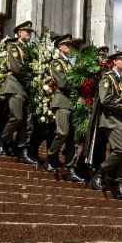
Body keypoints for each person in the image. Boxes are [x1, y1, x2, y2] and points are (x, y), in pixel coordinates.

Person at [94, 50, 122, 200]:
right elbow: (105, 99)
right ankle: (100, 172)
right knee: (120, 150)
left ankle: (120, 186)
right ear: (115, 62)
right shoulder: (108, 78)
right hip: (111, 120)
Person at [45, 33, 83, 178]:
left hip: (73, 104)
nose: (69, 47)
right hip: (62, 101)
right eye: (67, 45)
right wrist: (78, 91)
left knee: (73, 139)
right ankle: (50, 157)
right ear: (60, 46)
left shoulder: (72, 64)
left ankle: (70, 167)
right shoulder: (57, 63)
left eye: (70, 45)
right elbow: (62, 83)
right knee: (62, 132)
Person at [0, 21, 35, 163]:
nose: (29, 34)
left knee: (27, 121)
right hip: (15, 86)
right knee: (16, 117)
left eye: (30, 32)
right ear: (19, 33)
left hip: (27, 88)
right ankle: (2, 143)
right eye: (27, 31)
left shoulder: (31, 50)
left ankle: (22, 150)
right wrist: (34, 77)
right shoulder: (14, 47)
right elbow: (17, 68)